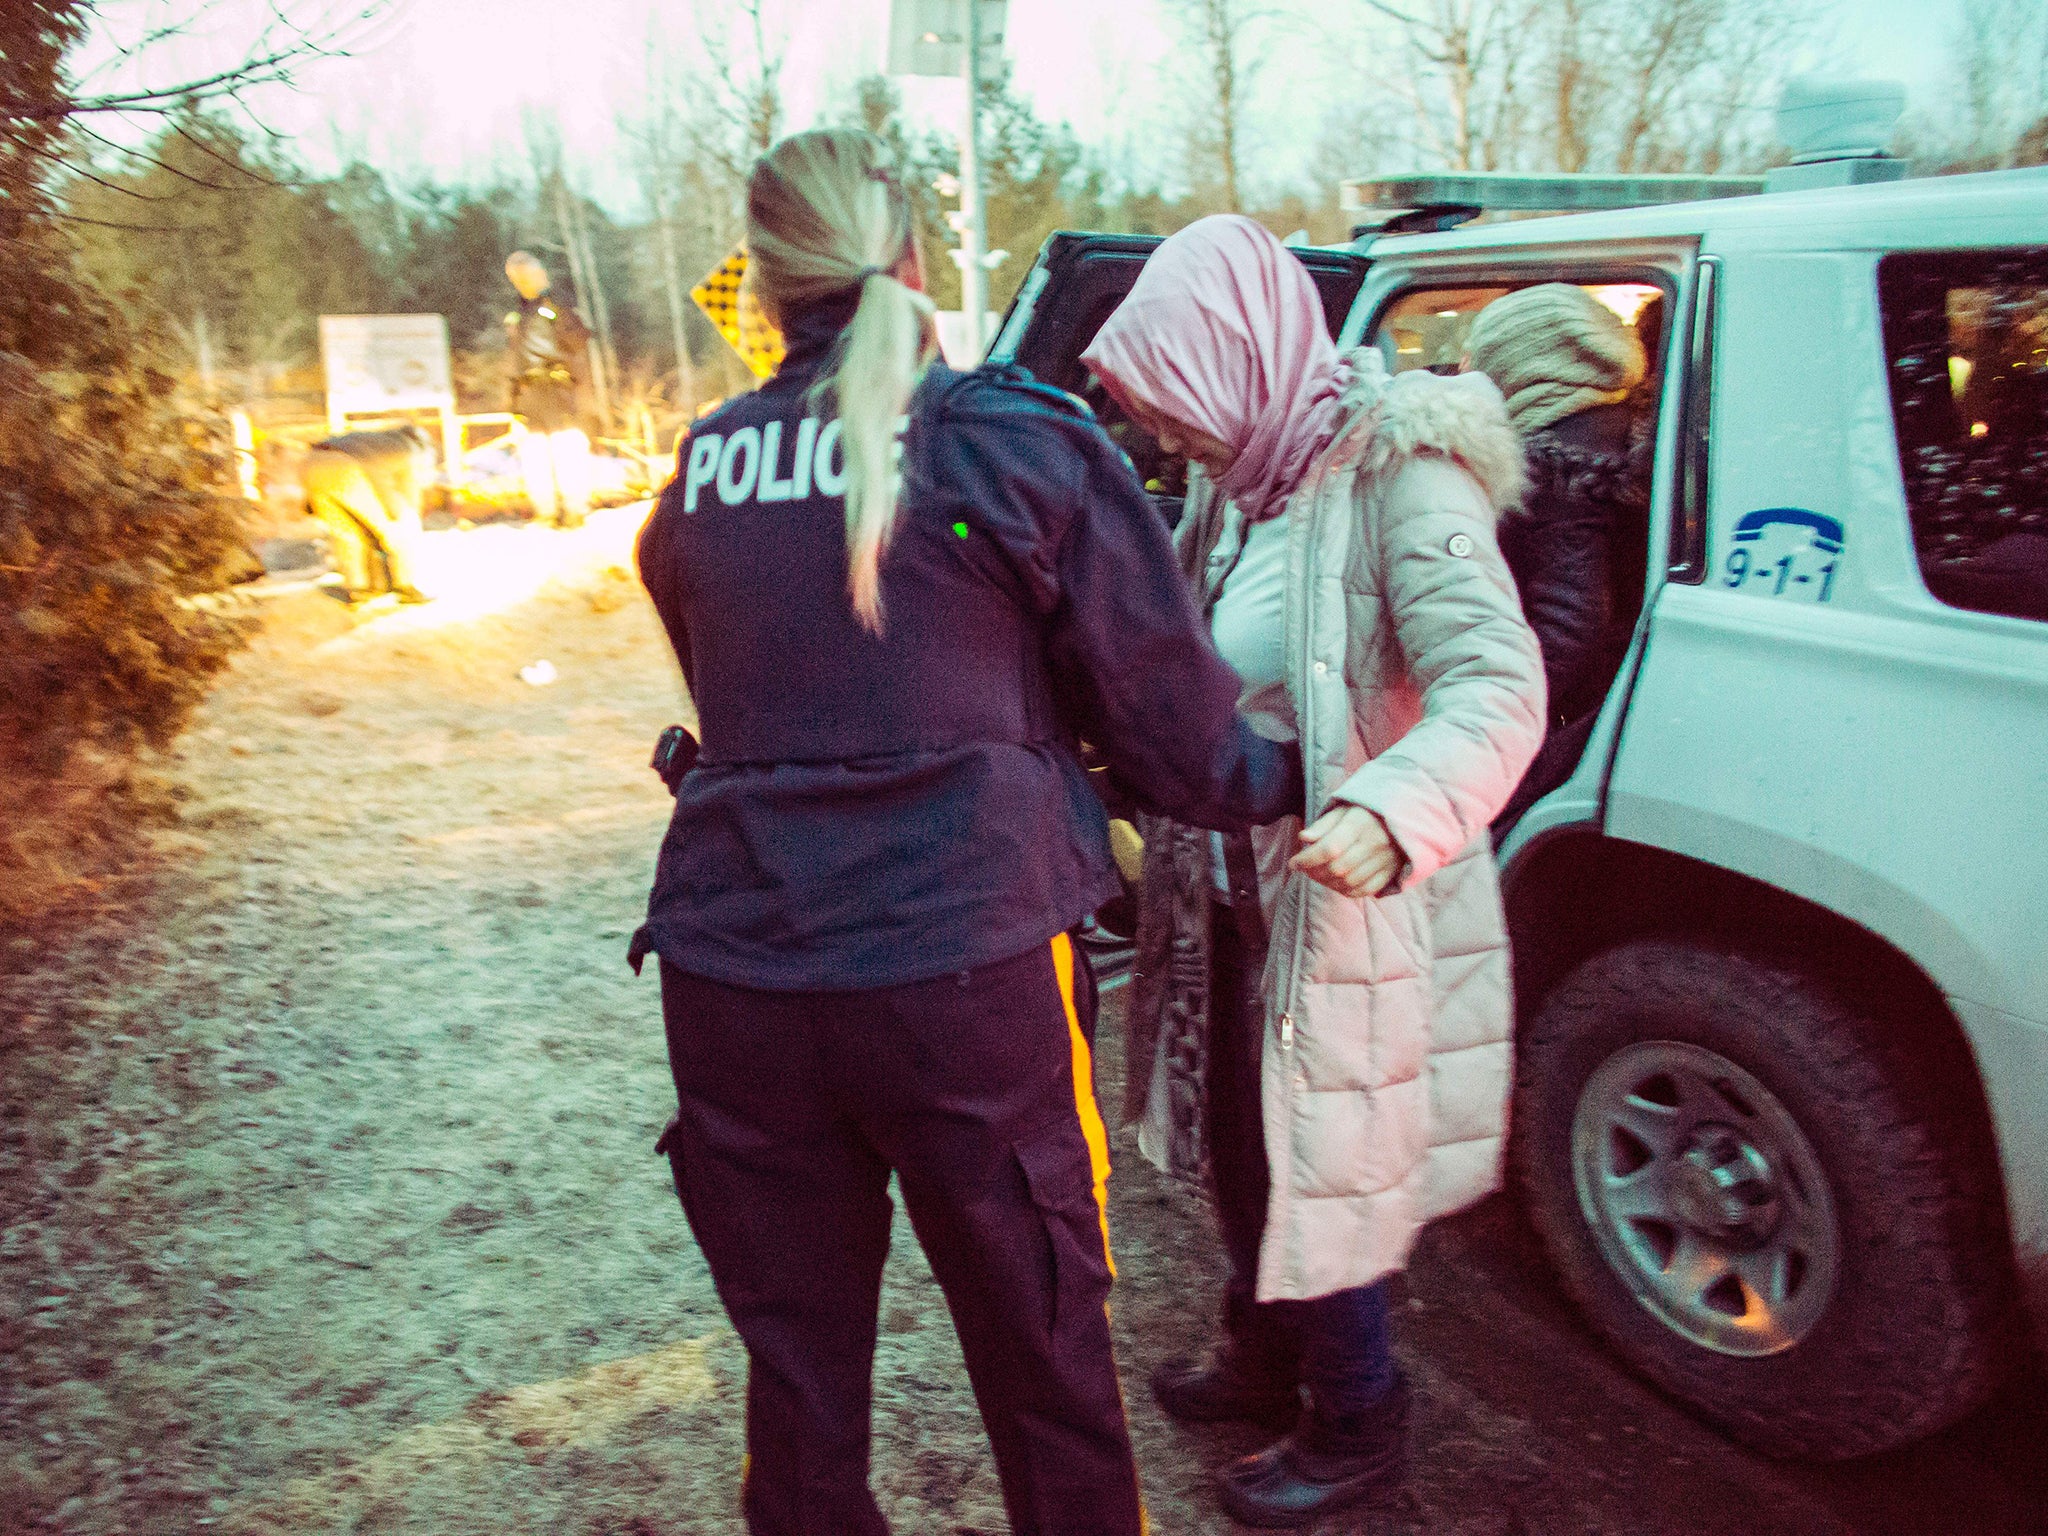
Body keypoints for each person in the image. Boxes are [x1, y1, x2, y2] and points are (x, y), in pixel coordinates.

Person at [634, 131, 1303, 1536]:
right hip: (965, 978)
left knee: (800, 1383)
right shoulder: (1020, 442)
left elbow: (752, 699)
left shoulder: (698, 476)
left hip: (739, 979)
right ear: (920, 262)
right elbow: (1180, 743)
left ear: (763, 285)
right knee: (1046, 1359)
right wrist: (1302, 773)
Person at [1086, 216, 1545, 1528]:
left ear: (1236, 358)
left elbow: (1500, 687)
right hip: (1233, 892)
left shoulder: (1406, 476)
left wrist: (1396, 808)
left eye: (1178, 404)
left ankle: (1357, 1420)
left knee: (1322, 1160)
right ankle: (1266, 1351)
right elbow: (1201, 662)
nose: (1169, 437)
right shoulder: (1245, 485)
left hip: (1349, 899)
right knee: (1240, 1140)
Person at [1462, 282, 1652, 829]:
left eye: (1486, 357)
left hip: (1558, 718)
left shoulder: (1561, 463)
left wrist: (1489, 722)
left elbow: (1569, 622)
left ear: (1523, 357)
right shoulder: (1618, 432)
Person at [503, 250, 594, 528]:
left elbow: (579, 343)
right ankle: (545, 511)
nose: (523, 281)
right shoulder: (516, 315)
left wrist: (557, 314)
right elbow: (513, 359)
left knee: (567, 448)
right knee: (534, 454)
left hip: (558, 388)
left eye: (527, 273)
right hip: (530, 393)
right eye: (516, 277)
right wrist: (513, 399)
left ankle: (575, 509)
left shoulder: (558, 306)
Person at [300, 425, 431, 604]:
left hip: (312, 462)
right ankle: (405, 586)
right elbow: (407, 492)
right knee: (403, 525)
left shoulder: (372, 439)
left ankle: (358, 587)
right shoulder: (407, 449)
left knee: (345, 532)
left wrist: (309, 504)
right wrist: (395, 513)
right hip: (347, 468)